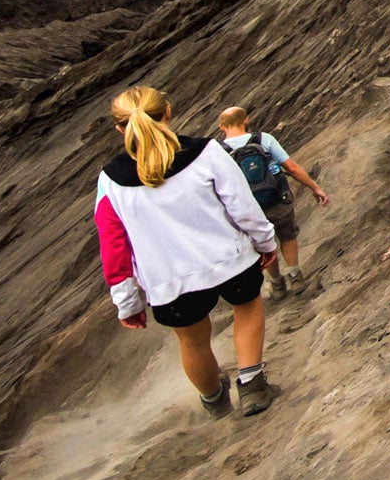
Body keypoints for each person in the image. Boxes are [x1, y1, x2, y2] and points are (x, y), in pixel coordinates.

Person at [94, 84, 280, 417]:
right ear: (168, 113)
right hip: (229, 259)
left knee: (192, 340)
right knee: (247, 308)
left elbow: (113, 245)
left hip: (169, 280)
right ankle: (252, 385)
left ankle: (213, 398)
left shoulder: (111, 180)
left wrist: (127, 303)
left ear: (120, 129)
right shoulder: (207, 152)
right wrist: (265, 242)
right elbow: (242, 206)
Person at [217, 106, 329, 299]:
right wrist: (315, 187)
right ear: (246, 120)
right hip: (277, 197)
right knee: (287, 233)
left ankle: (277, 284)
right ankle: (295, 275)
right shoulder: (263, 139)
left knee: (263, 244)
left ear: (221, 127)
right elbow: (291, 167)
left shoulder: (220, 152)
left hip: (247, 208)